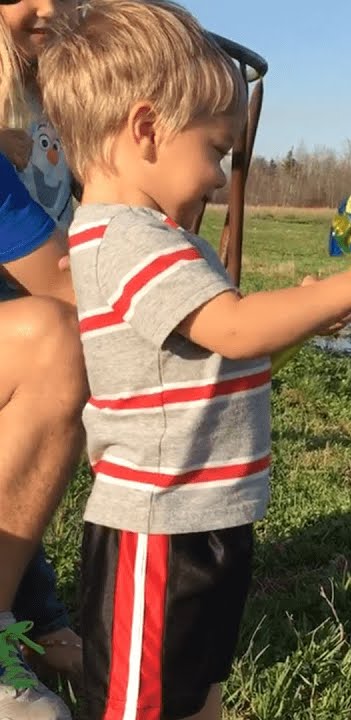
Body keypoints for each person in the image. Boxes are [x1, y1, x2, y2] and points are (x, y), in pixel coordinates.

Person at [38, 1, 351, 718]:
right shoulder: (124, 240)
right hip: (156, 530)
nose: (219, 175)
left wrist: (309, 313)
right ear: (147, 129)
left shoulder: (159, 237)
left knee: (196, 690)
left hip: (207, 520)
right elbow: (236, 328)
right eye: (215, 149)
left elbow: (222, 350)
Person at [0, 0, 85, 699]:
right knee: (57, 341)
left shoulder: (56, 105)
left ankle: (28, 613)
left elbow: (66, 262)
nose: (49, 6)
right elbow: (62, 289)